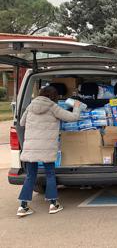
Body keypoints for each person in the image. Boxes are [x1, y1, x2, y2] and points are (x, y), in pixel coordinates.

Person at [17, 86, 81, 217]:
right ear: (53, 96)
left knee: (30, 176)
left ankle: (23, 207)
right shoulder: (53, 107)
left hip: (31, 148)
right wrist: (77, 106)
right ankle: (53, 204)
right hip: (46, 148)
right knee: (50, 174)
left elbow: (22, 123)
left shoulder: (30, 106)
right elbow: (73, 117)